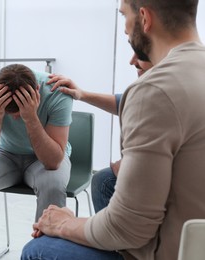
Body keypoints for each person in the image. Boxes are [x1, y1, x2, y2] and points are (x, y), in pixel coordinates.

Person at [21, 0, 205, 259]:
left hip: (178, 251)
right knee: (106, 181)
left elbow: (127, 227)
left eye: (124, 17)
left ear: (144, 18)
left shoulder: (153, 91)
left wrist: (63, 223)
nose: (126, 31)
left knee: (38, 250)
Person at [0, 63, 73, 259]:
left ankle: (43, 255)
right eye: (9, 112)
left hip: (46, 156)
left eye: (17, 112)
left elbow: (53, 161)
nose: (14, 118)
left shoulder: (57, 91)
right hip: (4, 154)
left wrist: (30, 117)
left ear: (37, 91)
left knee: (52, 184)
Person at [48, 53, 153, 213]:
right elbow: (124, 102)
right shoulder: (145, 90)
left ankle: (112, 235)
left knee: (103, 182)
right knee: (103, 179)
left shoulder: (166, 89)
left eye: (139, 53)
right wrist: (81, 94)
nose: (131, 61)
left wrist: (133, 164)